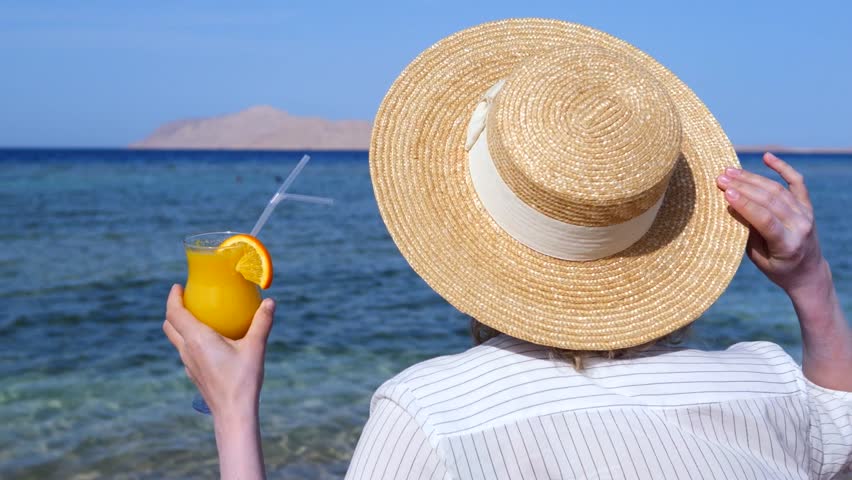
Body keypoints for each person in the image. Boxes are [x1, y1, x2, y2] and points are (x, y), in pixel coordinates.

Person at [163, 19, 852, 479]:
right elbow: (839, 425)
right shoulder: (765, 383)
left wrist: (232, 406)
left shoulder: (433, 415)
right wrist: (811, 281)